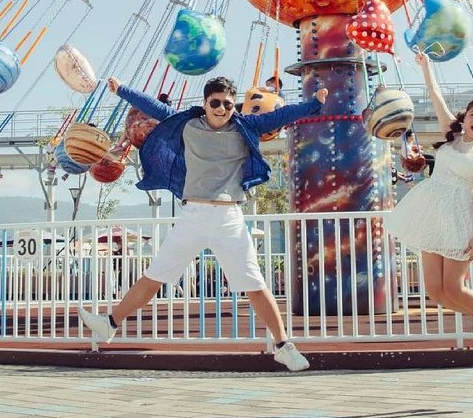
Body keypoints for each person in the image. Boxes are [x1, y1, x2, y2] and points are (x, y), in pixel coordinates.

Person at [78, 75, 328, 372]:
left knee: (255, 284)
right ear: (205, 103)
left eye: (228, 104)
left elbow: (282, 115)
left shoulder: (245, 126)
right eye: (215, 103)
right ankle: (109, 324)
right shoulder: (187, 124)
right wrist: (121, 90)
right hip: (193, 216)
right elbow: (154, 108)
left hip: (229, 217)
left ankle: (283, 346)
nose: (221, 109)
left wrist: (314, 104)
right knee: (155, 275)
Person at [386, 53, 473, 360]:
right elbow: (435, 95)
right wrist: (427, 68)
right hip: (432, 213)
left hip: (460, 217)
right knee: (436, 292)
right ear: (466, 116)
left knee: (454, 288)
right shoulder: (451, 134)